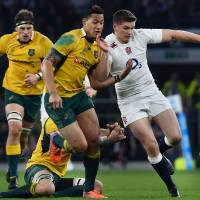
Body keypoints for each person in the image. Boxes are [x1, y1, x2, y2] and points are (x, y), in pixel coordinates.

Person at [87, 9, 200, 198]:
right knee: (150, 143)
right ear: (115, 27)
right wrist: (104, 54)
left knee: (175, 137)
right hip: (129, 101)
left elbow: (173, 34)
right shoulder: (107, 44)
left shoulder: (141, 35)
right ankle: (172, 188)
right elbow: (101, 77)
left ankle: (158, 156)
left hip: (152, 92)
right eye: (126, 28)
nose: (130, 31)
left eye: (132, 27)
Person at [41, 4, 132, 199]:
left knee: (93, 142)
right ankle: (56, 139)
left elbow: (97, 82)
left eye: (102, 23)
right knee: (80, 146)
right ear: (85, 22)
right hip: (59, 99)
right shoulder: (70, 38)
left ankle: (88, 191)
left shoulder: (96, 48)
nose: (99, 26)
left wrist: (105, 53)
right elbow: (47, 63)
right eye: (95, 22)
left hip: (79, 96)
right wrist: (53, 92)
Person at [0, 117, 125, 198]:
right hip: (38, 168)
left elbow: (95, 132)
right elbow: (71, 147)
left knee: (97, 186)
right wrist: (107, 140)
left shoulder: (75, 123)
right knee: (47, 187)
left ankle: (55, 194)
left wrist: (113, 131)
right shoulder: (53, 122)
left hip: (57, 177)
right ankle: (5, 195)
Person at [0, 9, 53, 190]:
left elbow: (56, 63)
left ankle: (16, 160)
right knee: (14, 128)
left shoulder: (44, 42)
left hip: (35, 95)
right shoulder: (6, 41)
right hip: (13, 90)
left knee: (23, 136)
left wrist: (38, 76)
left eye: (29, 28)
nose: (25, 32)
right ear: (16, 29)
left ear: (33, 28)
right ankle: (13, 177)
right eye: (22, 28)